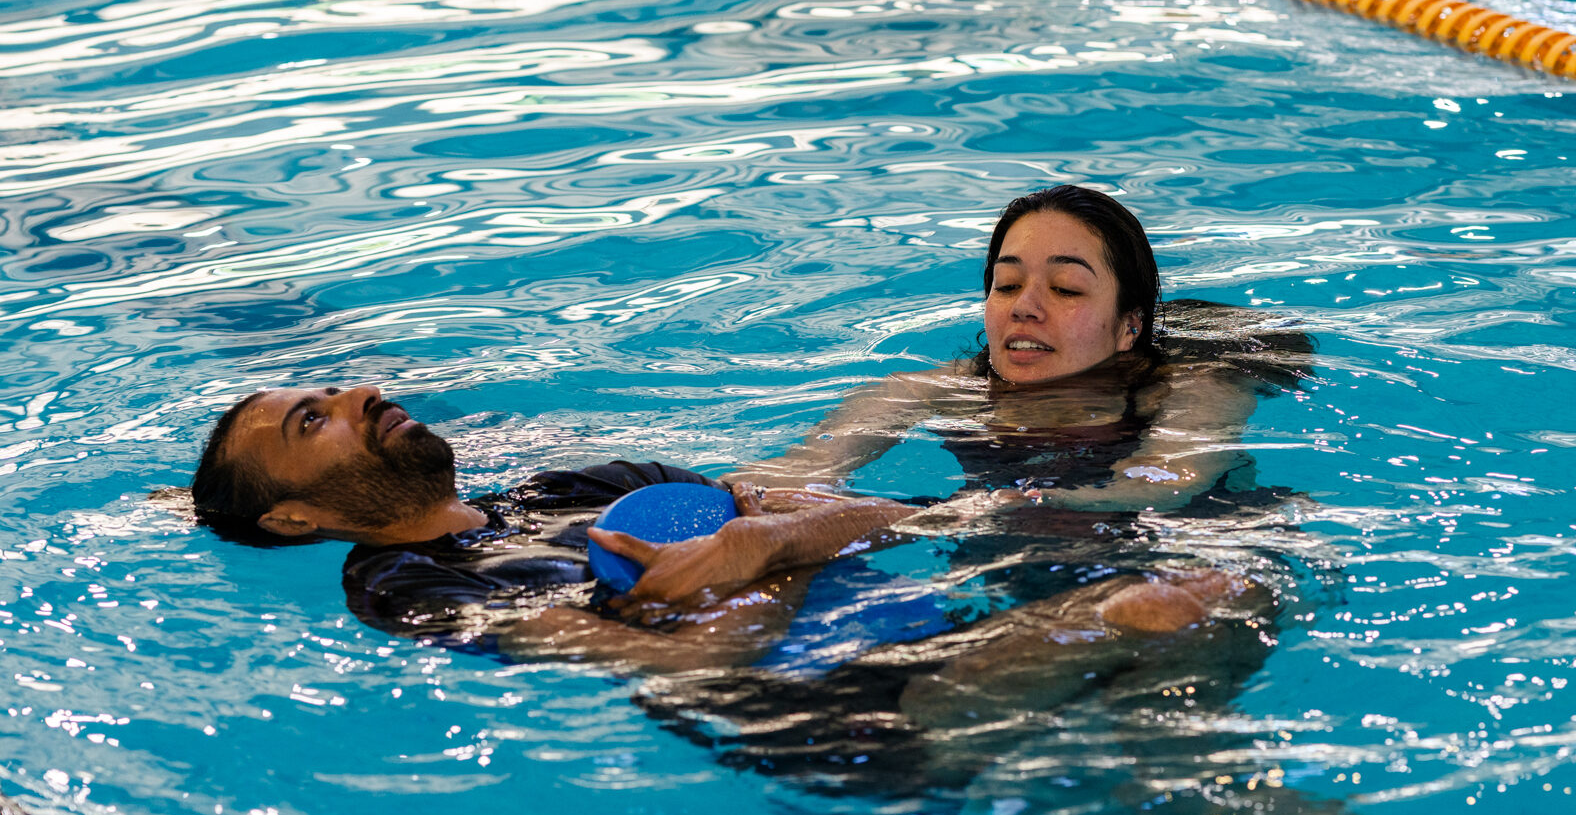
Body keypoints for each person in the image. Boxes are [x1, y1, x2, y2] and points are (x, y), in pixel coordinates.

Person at [187, 382, 1243, 673]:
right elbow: (692, 668)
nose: (361, 392)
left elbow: (895, 520)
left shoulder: (582, 485)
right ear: (296, 516)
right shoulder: (401, 590)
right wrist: (769, 558)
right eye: (313, 421)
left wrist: (769, 545)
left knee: (1223, 598)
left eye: (335, 388)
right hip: (844, 719)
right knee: (1167, 609)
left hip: (936, 620)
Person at [729, 185, 1313, 512]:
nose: (1024, 307)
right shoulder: (930, 392)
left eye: (1066, 289)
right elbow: (797, 472)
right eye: (1007, 285)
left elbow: (1165, 482)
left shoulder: (1191, 386)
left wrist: (978, 511)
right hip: (1010, 554)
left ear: (1129, 327)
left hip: (1187, 552)